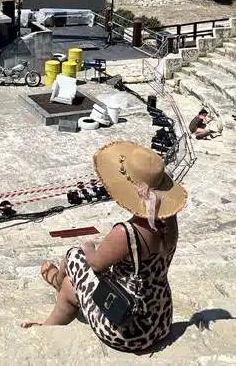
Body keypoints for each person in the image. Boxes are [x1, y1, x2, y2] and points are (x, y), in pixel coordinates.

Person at [22, 143, 186, 353]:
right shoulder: (168, 221)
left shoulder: (126, 233)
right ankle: (53, 308)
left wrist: (89, 247)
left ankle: (56, 282)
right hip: (159, 319)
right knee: (70, 288)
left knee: (74, 254)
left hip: (127, 328)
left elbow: (96, 264)